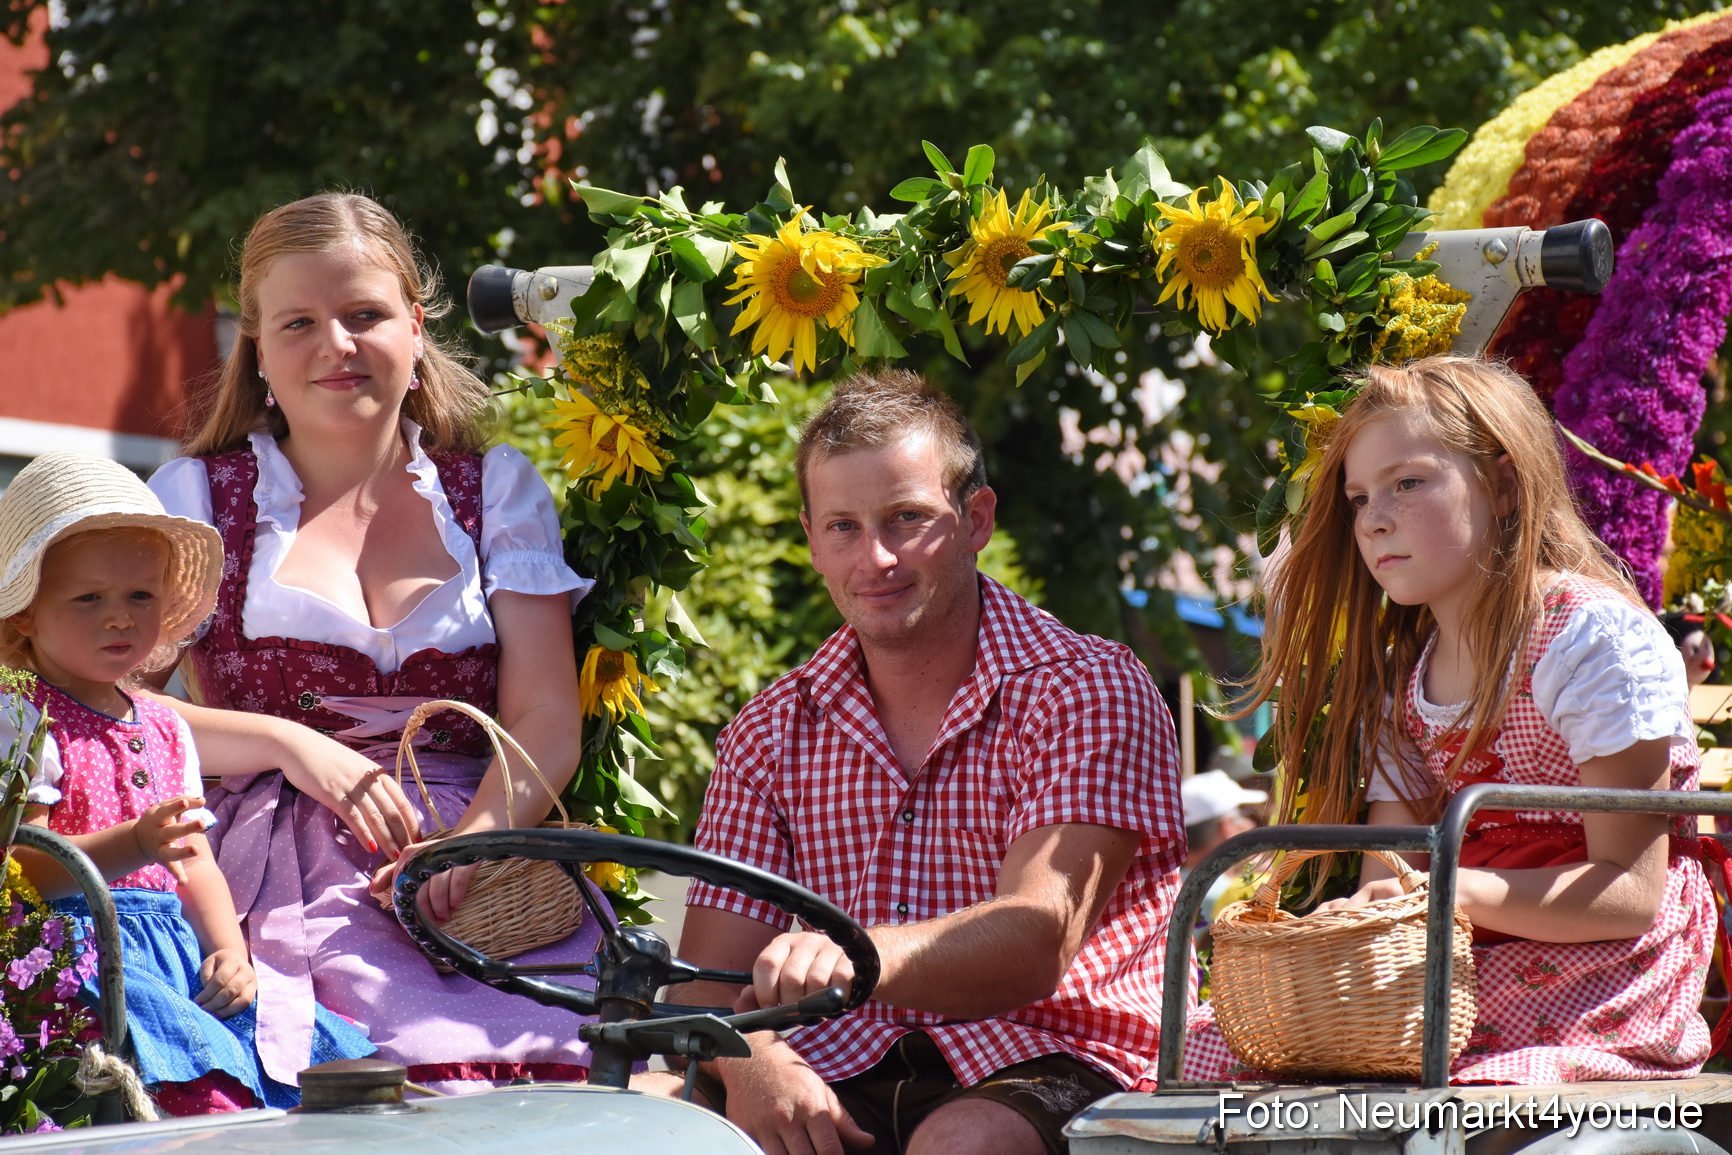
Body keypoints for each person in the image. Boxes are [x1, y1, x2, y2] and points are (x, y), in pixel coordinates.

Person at [650, 371, 1186, 1155]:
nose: (877, 557)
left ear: (976, 519)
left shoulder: (1088, 684)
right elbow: (706, 974)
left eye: (906, 518)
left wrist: (856, 954)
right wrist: (753, 1060)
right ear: (811, 539)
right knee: (633, 1120)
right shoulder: (769, 728)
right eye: (844, 527)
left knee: (961, 1142)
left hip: (1053, 1053)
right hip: (838, 1064)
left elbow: (1037, 938)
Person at [142, 192, 601, 1092]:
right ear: (261, 350)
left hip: (478, 870)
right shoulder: (196, 500)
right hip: (266, 872)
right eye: (300, 322)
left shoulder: (494, 494)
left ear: (416, 326)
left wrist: (471, 843)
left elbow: (546, 715)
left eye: (364, 315)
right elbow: (116, 716)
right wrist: (288, 743)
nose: (336, 345)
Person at [1182, 355, 1716, 1085]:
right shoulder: (1403, 679)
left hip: (1600, 970)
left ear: (1501, 484)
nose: (1373, 519)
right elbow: (1392, 874)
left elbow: (1629, 892)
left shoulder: (1589, 640)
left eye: (1407, 482)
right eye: (1359, 496)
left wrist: (1447, 891)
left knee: (1424, 1092)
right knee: (1212, 1054)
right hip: (1465, 960)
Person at [0, 453, 375, 1113]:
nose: (120, 617)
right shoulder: (23, 713)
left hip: (171, 942)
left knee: (286, 1042)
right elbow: (28, 864)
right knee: (184, 1063)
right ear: (25, 613)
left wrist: (228, 947)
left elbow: (193, 856)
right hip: (80, 947)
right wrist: (134, 843)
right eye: (89, 598)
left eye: (140, 596)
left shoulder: (165, 725)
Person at [1179, 769, 1265, 923]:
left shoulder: (1164, 889)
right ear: (1227, 827)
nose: (1250, 823)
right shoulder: (1239, 895)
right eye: (1242, 815)